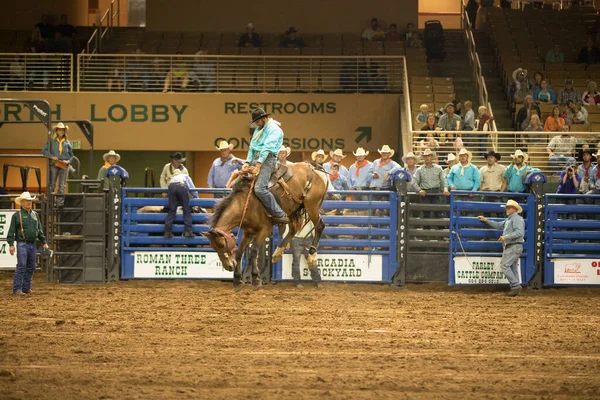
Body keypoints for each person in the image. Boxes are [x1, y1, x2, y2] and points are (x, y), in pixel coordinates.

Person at [241, 108, 289, 224]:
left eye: (257, 121)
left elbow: (267, 148)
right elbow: (252, 147)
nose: (256, 124)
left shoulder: (275, 130)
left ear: (263, 118)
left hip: (268, 160)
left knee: (259, 189)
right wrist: (247, 162)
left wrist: (258, 165)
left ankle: (280, 214)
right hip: (257, 159)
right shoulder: (259, 129)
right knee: (239, 183)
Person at [477, 200, 525, 297]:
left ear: (514, 209)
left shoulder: (516, 219)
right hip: (514, 246)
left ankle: (515, 286)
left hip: (513, 246)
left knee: (505, 266)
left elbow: (519, 233)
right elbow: (499, 225)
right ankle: (516, 288)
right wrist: (486, 220)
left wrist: (505, 237)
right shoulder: (510, 219)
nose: (506, 209)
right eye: (507, 208)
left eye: (508, 208)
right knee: (512, 267)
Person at [6, 192, 49, 295]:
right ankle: (17, 289)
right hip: (22, 243)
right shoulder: (17, 216)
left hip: (32, 244)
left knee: (31, 266)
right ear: (22, 203)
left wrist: (44, 241)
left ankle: (26, 287)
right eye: (27, 200)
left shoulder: (35, 215)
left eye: (30, 200)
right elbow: (11, 231)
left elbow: (39, 230)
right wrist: (11, 244)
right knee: (22, 265)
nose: (29, 202)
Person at [42, 122, 74, 208]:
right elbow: (44, 151)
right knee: (52, 183)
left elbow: (71, 155)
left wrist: (68, 161)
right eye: (59, 130)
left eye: (63, 130)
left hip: (64, 164)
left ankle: (59, 203)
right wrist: (52, 157)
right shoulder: (51, 141)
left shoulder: (67, 142)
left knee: (62, 185)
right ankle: (50, 202)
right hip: (54, 164)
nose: (61, 131)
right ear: (56, 131)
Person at [414, 148, 449, 215]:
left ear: (431, 157)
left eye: (429, 156)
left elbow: (443, 179)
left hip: (436, 192)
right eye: (425, 156)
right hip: (425, 193)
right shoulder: (419, 170)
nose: (427, 158)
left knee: (438, 213)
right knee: (426, 214)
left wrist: (445, 189)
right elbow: (414, 181)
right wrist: (419, 190)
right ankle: (427, 225)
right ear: (423, 157)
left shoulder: (438, 168)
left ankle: (440, 225)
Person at [164, 170, 198, 239]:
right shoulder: (186, 176)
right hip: (181, 186)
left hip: (171, 186)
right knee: (186, 210)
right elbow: (193, 189)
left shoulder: (173, 178)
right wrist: (196, 198)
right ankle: (188, 231)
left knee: (172, 211)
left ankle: (167, 232)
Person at [290, 218, 320, 288]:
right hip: (297, 238)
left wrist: (315, 242)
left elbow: (314, 227)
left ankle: (316, 281)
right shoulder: (300, 213)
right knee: (297, 261)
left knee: (310, 260)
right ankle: (297, 281)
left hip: (305, 239)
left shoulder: (309, 214)